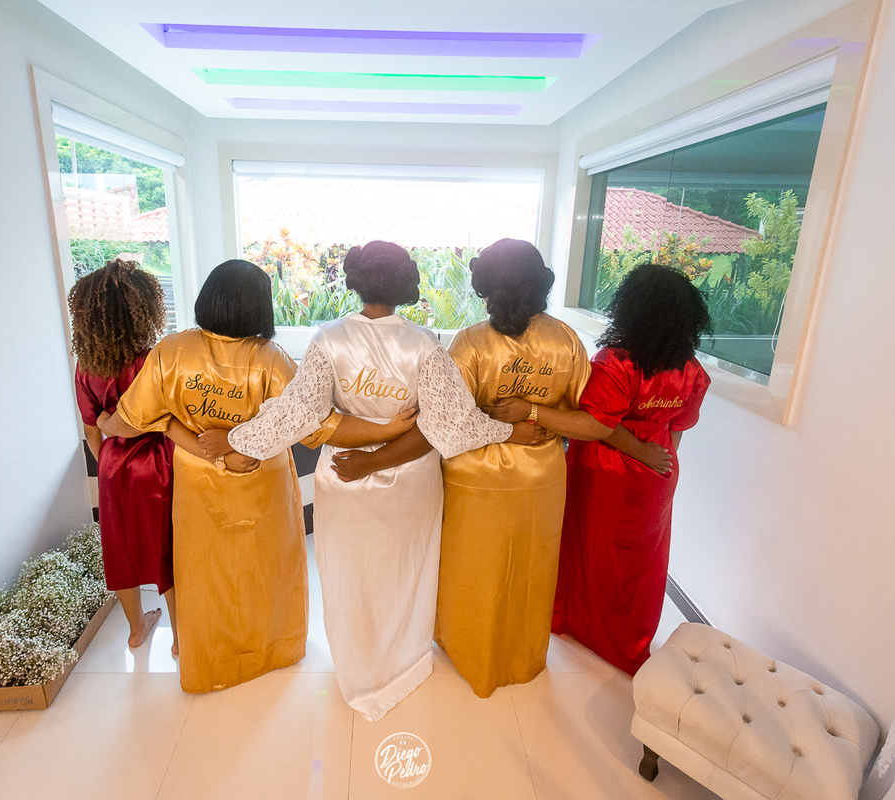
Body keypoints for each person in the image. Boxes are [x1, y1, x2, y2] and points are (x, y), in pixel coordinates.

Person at [199, 241, 544, 721]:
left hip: (343, 478)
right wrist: (509, 430)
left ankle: (358, 668)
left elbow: (297, 412)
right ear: (405, 285)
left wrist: (237, 439)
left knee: (348, 574)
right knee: (404, 569)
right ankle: (402, 661)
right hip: (410, 481)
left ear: (356, 281)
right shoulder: (424, 343)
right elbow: (450, 426)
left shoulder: (328, 338)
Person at [96, 260, 412, 693]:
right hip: (262, 481)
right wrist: (385, 429)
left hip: (198, 484)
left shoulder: (171, 351)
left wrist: (120, 425)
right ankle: (272, 650)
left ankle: (213, 660)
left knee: (205, 571)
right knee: (267, 567)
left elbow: (132, 419)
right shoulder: (271, 361)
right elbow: (320, 425)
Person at [432, 239, 671, 697]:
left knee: (474, 565)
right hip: (542, 475)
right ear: (540, 284)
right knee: (532, 568)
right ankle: (523, 655)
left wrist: (508, 427)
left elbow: (447, 421)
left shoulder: (470, 343)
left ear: (486, 285)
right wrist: (537, 420)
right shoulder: (566, 341)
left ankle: (471, 649)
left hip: (475, 477)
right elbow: (590, 419)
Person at [490, 262, 711, 676]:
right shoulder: (692, 370)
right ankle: (629, 639)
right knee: (642, 560)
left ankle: (581, 624)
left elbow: (597, 424)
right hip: (659, 471)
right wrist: (658, 463)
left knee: (589, 549)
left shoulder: (617, 363)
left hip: (608, 470)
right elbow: (676, 428)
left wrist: (531, 410)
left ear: (631, 308)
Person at [68, 260, 180, 653]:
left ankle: (136, 629)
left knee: (119, 547)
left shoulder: (86, 367)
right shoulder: (154, 360)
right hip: (158, 461)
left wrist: (110, 464)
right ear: (142, 310)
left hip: (112, 465)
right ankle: (181, 639)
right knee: (166, 546)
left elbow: (91, 429)